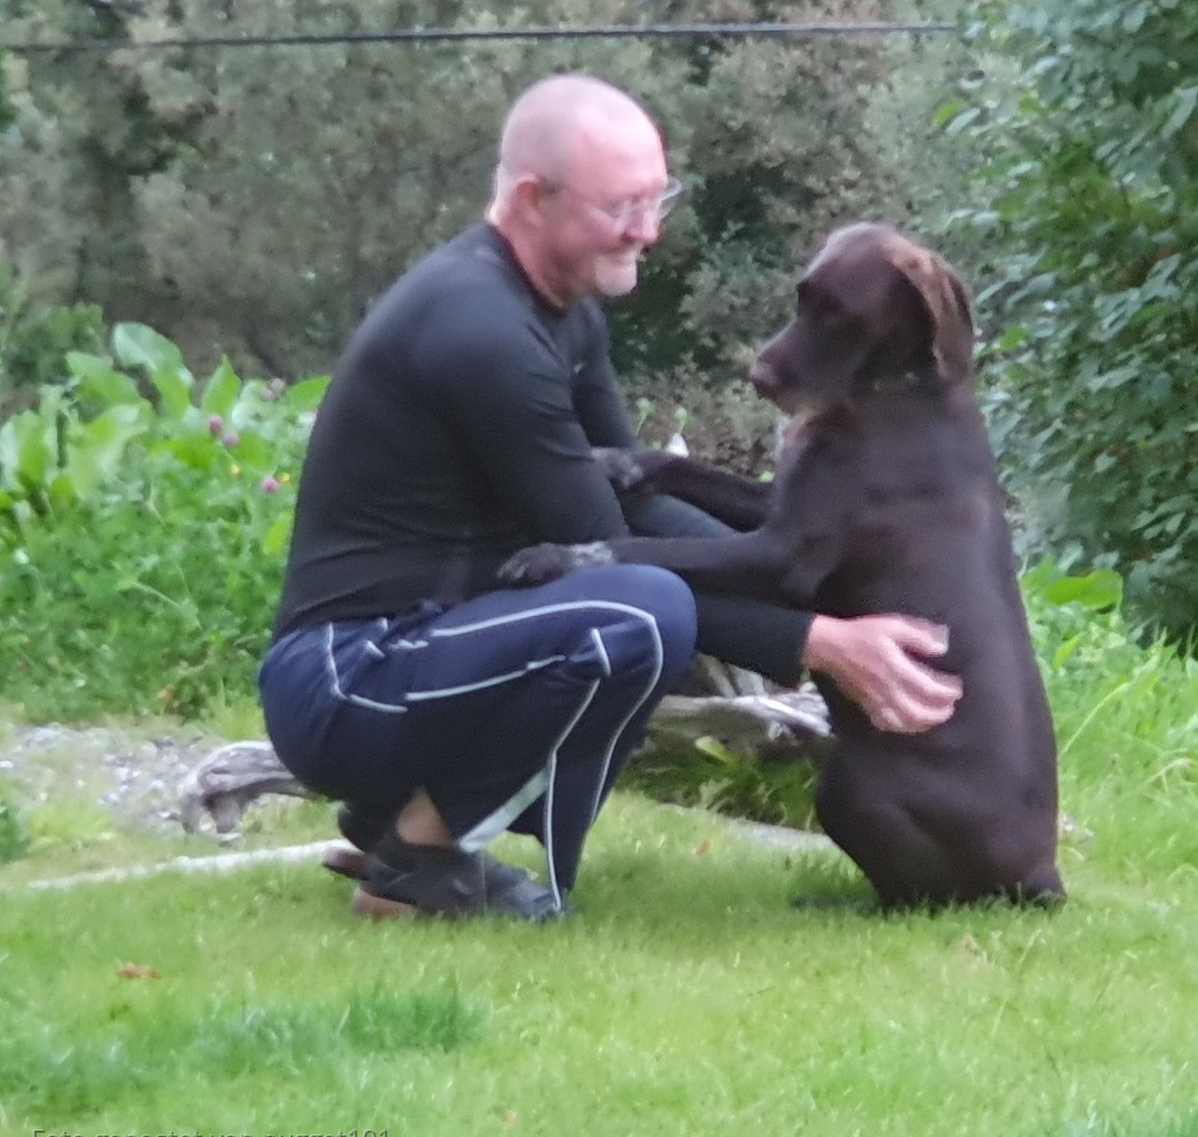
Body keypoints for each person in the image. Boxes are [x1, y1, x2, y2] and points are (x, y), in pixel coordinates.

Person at [257, 74, 962, 923]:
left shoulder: (566, 312)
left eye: (658, 198)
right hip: (349, 677)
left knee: (642, 605)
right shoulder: (483, 331)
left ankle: (399, 830)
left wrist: (801, 574)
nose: (649, 230)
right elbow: (608, 555)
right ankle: (417, 861)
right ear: (532, 198)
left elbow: (635, 508)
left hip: (434, 647)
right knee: (637, 619)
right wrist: (820, 641)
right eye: (622, 206)